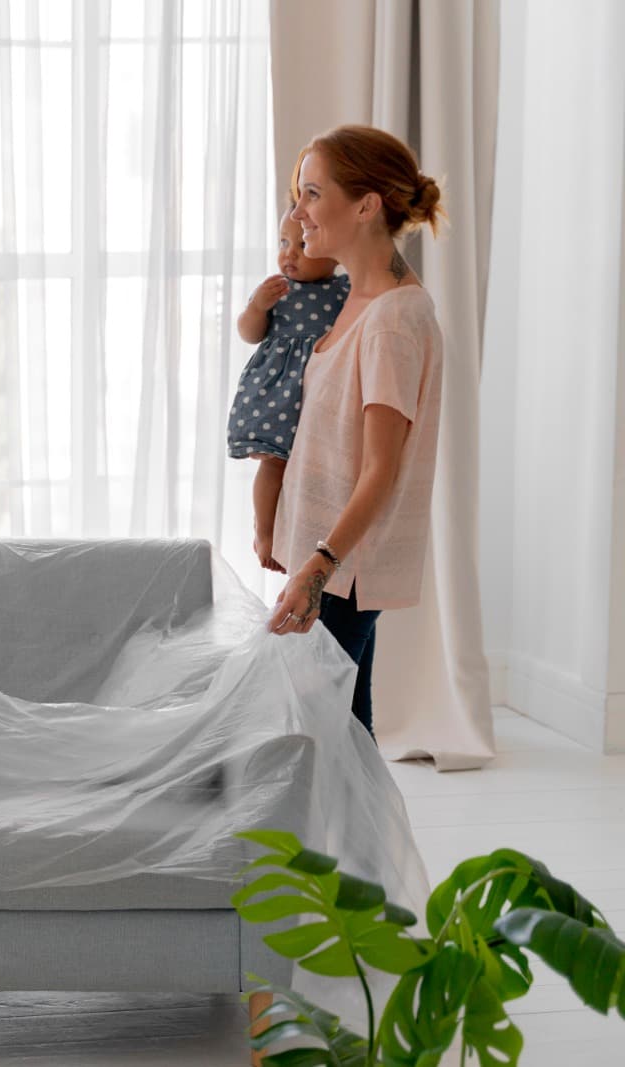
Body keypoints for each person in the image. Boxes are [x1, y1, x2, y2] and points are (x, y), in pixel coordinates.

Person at [265, 124, 447, 738]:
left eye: (313, 194)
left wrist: (317, 568)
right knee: (342, 729)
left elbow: (380, 471)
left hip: (343, 570)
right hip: (330, 561)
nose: (298, 213)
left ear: (366, 206)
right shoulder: (351, 297)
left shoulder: (393, 320)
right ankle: (363, 810)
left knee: (322, 732)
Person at [230, 208, 351, 572]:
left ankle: (316, 539)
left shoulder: (346, 290)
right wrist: (257, 307)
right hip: (279, 394)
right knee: (274, 464)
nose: (289, 254)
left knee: (320, 470)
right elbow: (249, 333)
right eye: (283, 242)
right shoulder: (276, 290)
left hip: (322, 391)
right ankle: (264, 532)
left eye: (302, 244)